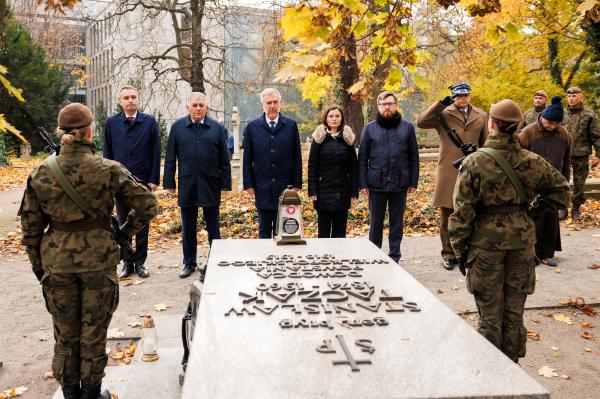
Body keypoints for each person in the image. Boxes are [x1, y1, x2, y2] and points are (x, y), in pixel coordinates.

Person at [20, 103, 158, 399]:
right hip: (98, 263)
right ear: (89, 132)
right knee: (93, 335)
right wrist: (124, 232)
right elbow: (148, 205)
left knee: (65, 336)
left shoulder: (41, 172)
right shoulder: (108, 169)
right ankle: (92, 394)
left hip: (56, 265)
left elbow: (31, 229)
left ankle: (70, 394)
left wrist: (38, 266)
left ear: (61, 134)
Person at [448, 99, 569, 363]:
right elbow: (561, 190)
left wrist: (459, 251)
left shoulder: (475, 163)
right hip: (522, 244)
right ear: (517, 128)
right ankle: (513, 376)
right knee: (513, 317)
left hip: (484, 247)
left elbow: (462, 214)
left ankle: (493, 376)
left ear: (491, 124)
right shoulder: (531, 161)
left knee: (489, 318)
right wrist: (529, 213)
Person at [417, 82, 488, 271]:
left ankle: (468, 252)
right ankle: (448, 254)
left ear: (470, 96)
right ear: (453, 96)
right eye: (458, 96)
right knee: (447, 215)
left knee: (472, 213)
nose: (462, 99)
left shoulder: (481, 115)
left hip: (472, 169)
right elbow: (421, 122)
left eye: (465, 95)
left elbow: (486, 143)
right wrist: (441, 104)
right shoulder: (443, 114)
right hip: (448, 171)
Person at [163, 92, 232, 278]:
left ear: (206, 107)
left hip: (211, 182)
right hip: (188, 183)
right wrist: (169, 182)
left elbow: (224, 159)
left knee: (213, 226)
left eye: (201, 105)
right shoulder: (177, 127)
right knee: (188, 227)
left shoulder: (217, 128)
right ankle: (189, 262)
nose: (198, 108)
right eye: (195, 105)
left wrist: (226, 184)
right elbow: (170, 157)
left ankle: (216, 261)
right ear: (188, 107)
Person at [103, 85, 161, 278]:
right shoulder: (112, 123)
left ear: (138, 99)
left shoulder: (149, 122)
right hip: (120, 183)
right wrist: (108, 181)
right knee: (122, 223)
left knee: (143, 223)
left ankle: (140, 263)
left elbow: (155, 152)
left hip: (143, 181)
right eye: (126, 97)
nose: (130, 100)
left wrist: (153, 179)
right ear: (120, 101)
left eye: (133, 97)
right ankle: (127, 263)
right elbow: (107, 154)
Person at [358, 91, 419, 262]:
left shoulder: (407, 127)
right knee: (375, 223)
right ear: (378, 107)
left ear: (396, 105)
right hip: (376, 183)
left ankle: (394, 257)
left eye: (390, 104)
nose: (387, 107)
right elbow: (362, 157)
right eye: (383, 104)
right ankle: (374, 255)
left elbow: (414, 156)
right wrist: (362, 183)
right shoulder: (369, 129)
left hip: (400, 182)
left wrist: (413, 180)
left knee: (396, 223)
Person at [243, 88, 302, 238]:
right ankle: (264, 259)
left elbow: (297, 156)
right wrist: (248, 184)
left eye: (275, 102)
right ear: (262, 104)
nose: (272, 106)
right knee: (264, 229)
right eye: (268, 102)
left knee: (284, 230)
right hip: (262, 185)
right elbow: (247, 159)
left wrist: (297, 183)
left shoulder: (291, 125)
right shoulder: (252, 127)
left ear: (280, 103)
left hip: (285, 186)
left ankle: (282, 260)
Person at [519, 96, 571, 267]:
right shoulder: (527, 132)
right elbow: (518, 160)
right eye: (549, 122)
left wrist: (564, 185)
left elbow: (566, 161)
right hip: (531, 184)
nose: (552, 126)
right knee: (532, 219)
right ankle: (530, 254)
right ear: (543, 117)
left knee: (550, 220)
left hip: (554, 184)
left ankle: (547, 254)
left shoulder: (564, 134)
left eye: (556, 123)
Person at [308, 105, 358, 238]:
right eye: (331, 116)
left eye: (337, 116)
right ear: (326, 118)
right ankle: (323, 257)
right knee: (323, 233)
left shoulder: (347, 138)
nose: (334, 119)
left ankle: (339, 257)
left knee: (340, 233)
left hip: (343, 192)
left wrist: (354, 192)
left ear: (342, 118)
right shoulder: (319, 137)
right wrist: (312, 190)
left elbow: (353, 167)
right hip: (323, 191)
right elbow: (312, 166)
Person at [561, 87, 600, 220]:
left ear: (581, 97)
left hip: (581, 154)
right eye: (569, 96)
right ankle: (563, 208)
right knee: (561, 182)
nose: (571, 99)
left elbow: (597, 136)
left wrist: (598, 155)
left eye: (574, 96)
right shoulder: (561, 114)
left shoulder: (589, 114)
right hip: (563, 154)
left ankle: (576, 209)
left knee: (579, 184)